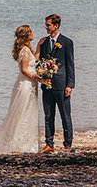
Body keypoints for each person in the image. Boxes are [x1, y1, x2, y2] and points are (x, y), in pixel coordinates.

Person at [0, 24, 41, 153]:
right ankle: (18, 142)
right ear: (26, 34)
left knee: (28, 111)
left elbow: (34, 60)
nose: (33, 33)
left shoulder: (27, 49)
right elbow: (24, 70)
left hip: (29, 84)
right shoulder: (24, 50)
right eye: (31, 31)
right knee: (22, 111)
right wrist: (37, 78)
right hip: (26, 84)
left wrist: (40, 45)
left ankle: (25, 141)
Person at [37, 13, 75, 152]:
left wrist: (70, 84)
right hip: (47, 85)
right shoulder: (44, 42)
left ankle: (67, 143)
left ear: (56, 25)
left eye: (48, 25)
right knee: (48, 115)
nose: (46, 27)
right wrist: (42, 75)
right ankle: (49, 143)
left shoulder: (67, 42)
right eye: (46, 24)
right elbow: (39, 63)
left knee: (65, 115)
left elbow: (70, 64)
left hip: (62, 84)